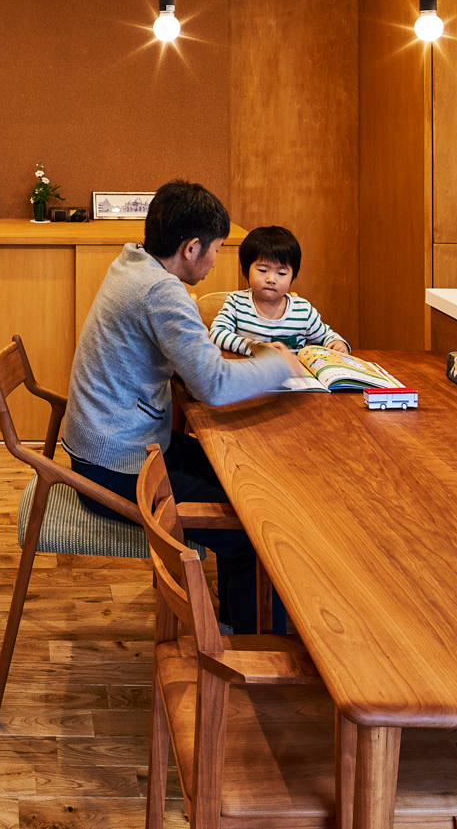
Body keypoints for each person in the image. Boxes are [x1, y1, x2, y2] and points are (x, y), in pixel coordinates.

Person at [59, 180, 304, 633]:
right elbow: (214, 385)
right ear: (191, 248)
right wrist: (280, 365)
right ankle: (248, 644)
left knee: (241, 483)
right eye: (217, 250)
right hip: (115, 467)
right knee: (252, 527)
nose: (215, 261)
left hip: (108, 445)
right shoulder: (160, 291)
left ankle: (242, 620)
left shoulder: (132, 263)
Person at [208, 225, 351, 357]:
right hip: (250, 373)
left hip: (293, 375)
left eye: (281, 273)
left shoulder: (303, 311)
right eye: (263, 270)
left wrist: (338, 343)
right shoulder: (236, 302)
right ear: (246, 270)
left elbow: (327, 337)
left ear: (292, 276)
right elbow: (216, 333)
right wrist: (256, 347)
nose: (271, 279)